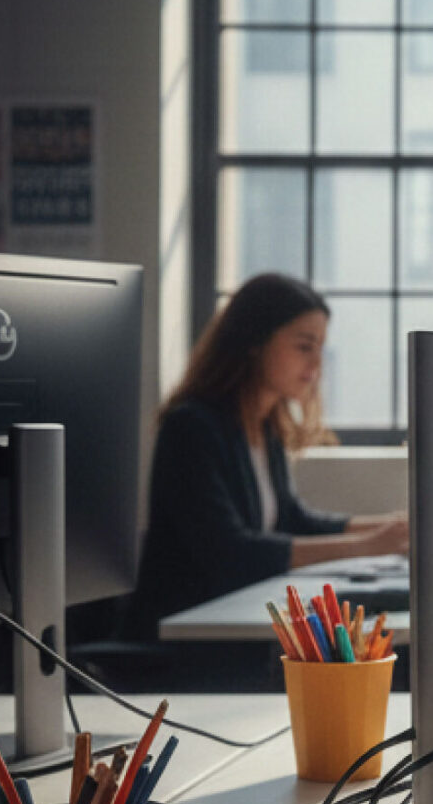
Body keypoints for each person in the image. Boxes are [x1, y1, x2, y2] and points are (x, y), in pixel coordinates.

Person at [123, 274, 407, 639]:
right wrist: (365, 546)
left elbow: (290, 517)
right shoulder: (191, 428)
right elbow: (230, 553)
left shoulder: (265, 426)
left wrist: (392, 528)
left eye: (321, 347)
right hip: (183, 637)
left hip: (230, 623)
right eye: (305, 346)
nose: (317, 363)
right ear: (255, 341)